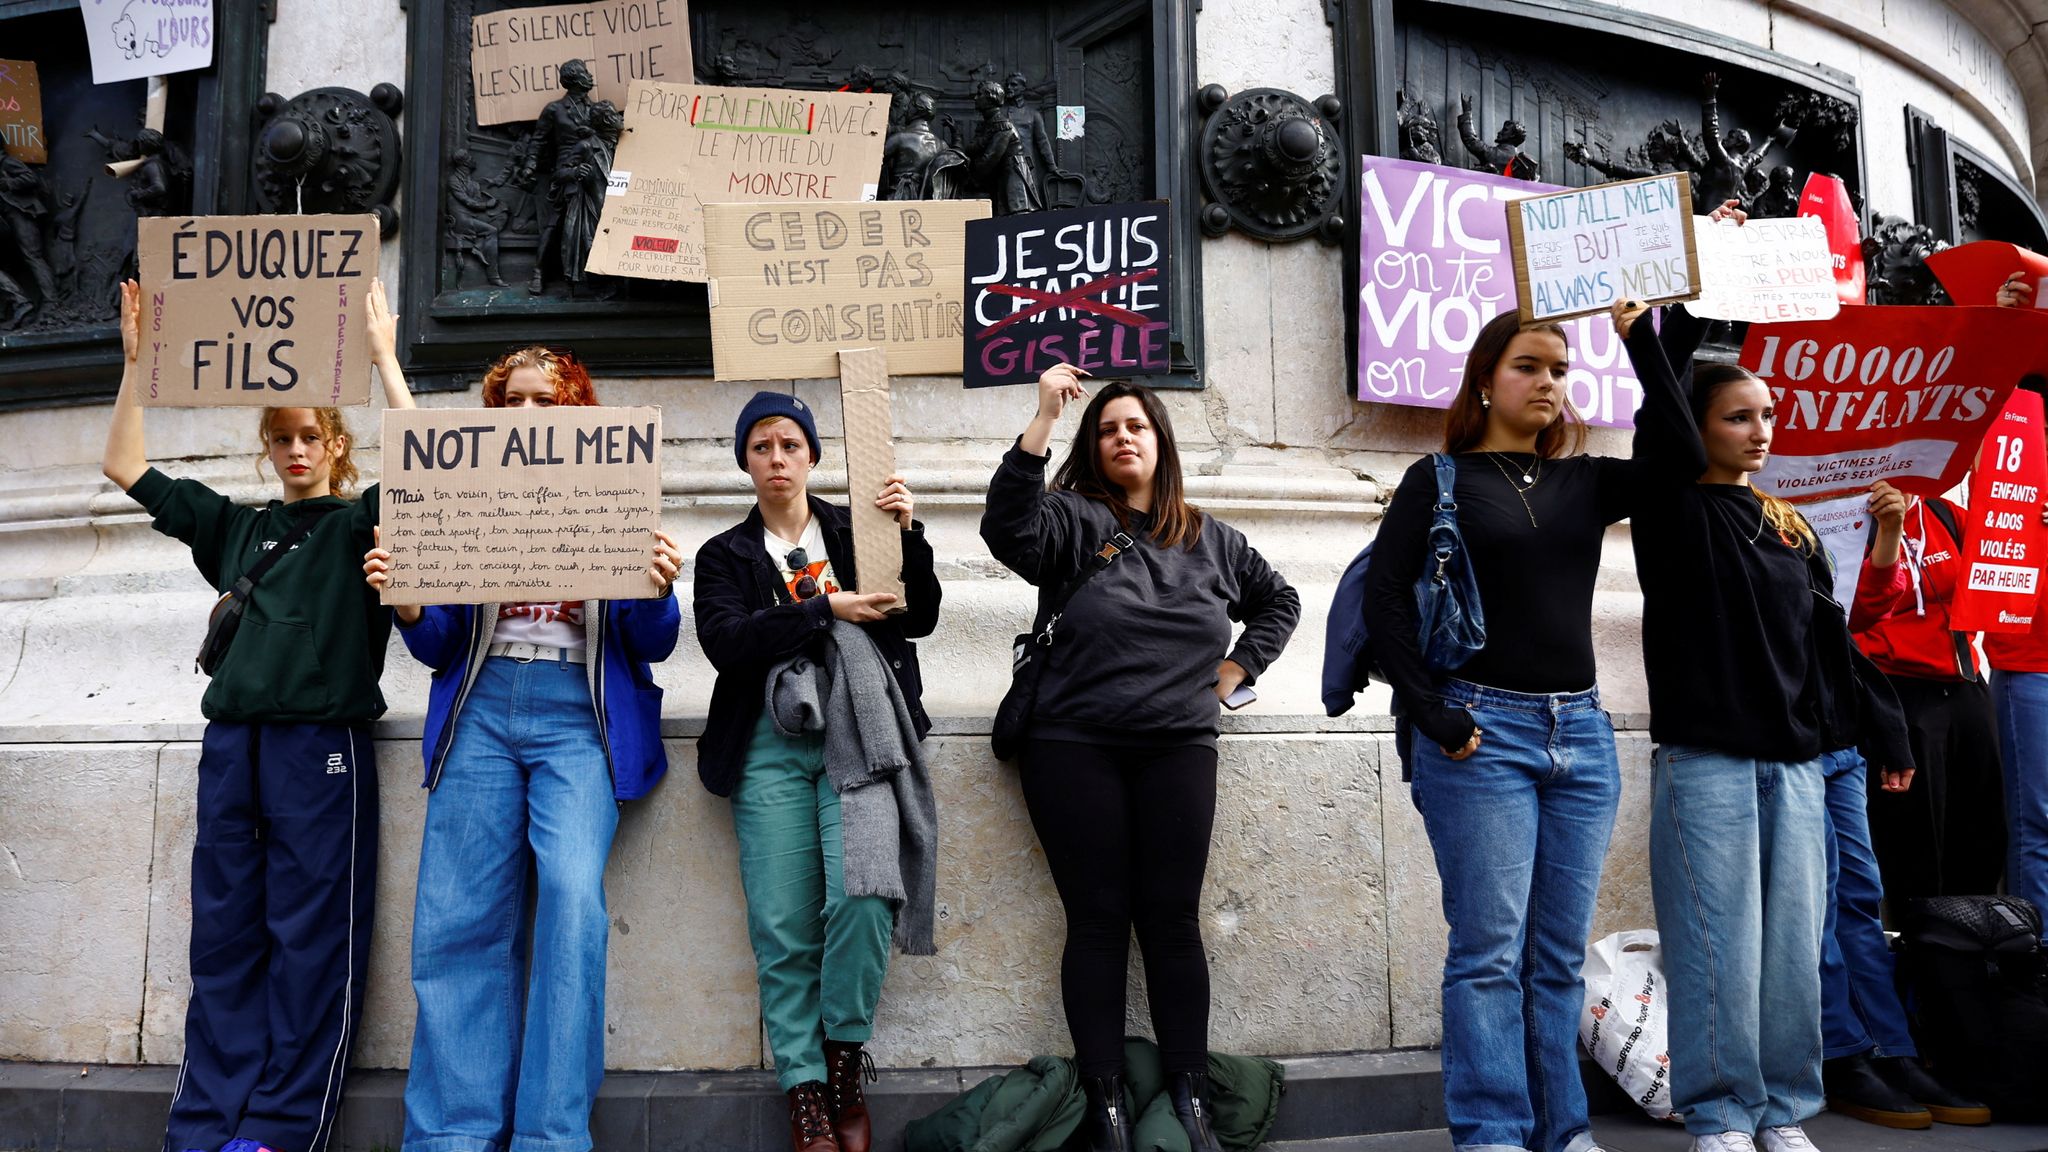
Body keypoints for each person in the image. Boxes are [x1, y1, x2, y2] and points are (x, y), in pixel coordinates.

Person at [101, 278, 413, 1152]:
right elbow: (126, 468)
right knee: (227, 937)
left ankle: (279, 1128)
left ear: (337, 442)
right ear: (268, 450)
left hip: (321, 747)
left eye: (311, 435)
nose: (296, 450)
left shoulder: (361, 527)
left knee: (310, 938)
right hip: (233, 745)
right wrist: (131, 367)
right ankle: (205, 1124)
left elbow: (435, 462)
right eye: (282, 438)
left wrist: (385, 359)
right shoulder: (238, 530)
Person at [1618, 254, 1911, 1152]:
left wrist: (1883, 730)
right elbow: (1662, 434)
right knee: (1715, 946)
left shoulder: (1787, 525)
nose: (1759, 431)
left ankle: (1782, 1113)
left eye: (1767, 416)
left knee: (1790, 949)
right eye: (1737, 417)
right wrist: (1651, 332)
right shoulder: (1672, 510)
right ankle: (1719, 1115)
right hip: (1708, 758)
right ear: (1699, 427)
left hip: (1800, 766)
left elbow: (1829, 645)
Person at [360, 344, 683, 1152]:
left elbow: (655, 641)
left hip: (580, 716)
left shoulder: (616, 494)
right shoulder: (466, 497)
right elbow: (439, 645)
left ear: (577, 410)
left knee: (572, 907)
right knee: (457, 919)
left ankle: (552, 1136)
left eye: (545, 401)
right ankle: (451, 1136)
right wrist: (404, 606)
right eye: (512, 404)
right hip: (482, 714)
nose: (528, 416)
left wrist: (657, 585)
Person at [981, 371, 1300, 1152]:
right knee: (1096, 921)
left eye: (1138, 426)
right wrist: (1045, 417)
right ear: (1093, 448)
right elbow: (1005, 529)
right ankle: (1106, 1098)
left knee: (1171, 922)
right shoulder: (1071, 520)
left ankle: (1190, 1090)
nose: (1124, 436)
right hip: (1072, 746)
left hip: (1177, 748)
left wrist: (1239, 667)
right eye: (1109, 428)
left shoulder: (1213, 538)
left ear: (1161, 444)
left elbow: (1280, 600)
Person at [1364, 302, 1635, 1152]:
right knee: (1488, 953)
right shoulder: (1437, 481)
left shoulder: (1588, 481)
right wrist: (1435, 714)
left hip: (1582, 738)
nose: (1548, 381)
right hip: (1482, 734)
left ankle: (1565, 1131)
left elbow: (1683, 457)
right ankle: (1491, 1133)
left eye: (1559, 368)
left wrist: (1650, 339)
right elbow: (1383, 603)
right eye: (1528, 365)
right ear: (1486, 379)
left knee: (1556, 960)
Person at [693, 392, 942, 1152]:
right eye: (762, 446)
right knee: (782, 927)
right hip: (767, 742)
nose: (777, 459)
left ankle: (843, 1060)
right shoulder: (724, 557)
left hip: (860, 736)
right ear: (745, 460)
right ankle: (803, 1089)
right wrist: (826, 606)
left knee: (864, 897)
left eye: (790, 445)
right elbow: (728, 643)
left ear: (812, 456)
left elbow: (920, 614)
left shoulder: (853, 528)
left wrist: (909, 534)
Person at [1851, 481, 2005, 902]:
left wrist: (2035, 528)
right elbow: (1858, 609)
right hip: (1894, 690)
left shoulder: (1944, 513)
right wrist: (1891, 528)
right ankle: (1922, 950)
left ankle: (1976, 942)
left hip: (1964, 683)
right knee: (1912, 837)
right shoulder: (1852, 516)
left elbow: (2003, 560)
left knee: (1983, 827)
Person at [1986, 274, 2048, 917]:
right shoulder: (2023, 412)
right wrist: (2003, 326)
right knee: (2038, 823)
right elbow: (1979, 404)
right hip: (2031, 655)